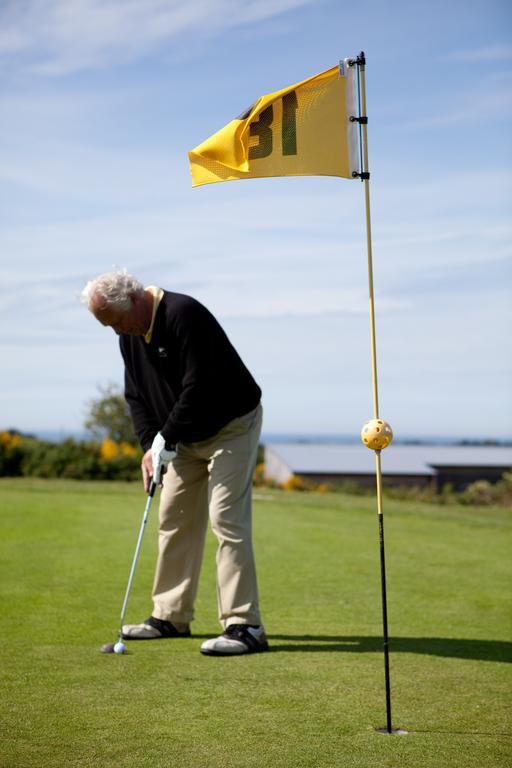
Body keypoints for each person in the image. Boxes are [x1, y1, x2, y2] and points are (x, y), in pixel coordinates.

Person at [81, 269, 268, 656]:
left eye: (116, 321)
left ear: (134, 300)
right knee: (173, 518)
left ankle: (244, 625)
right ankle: (170, 616)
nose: (117, 332)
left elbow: (199, 386)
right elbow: (136, 396)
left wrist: (167, 436)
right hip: (183, 436)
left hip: (231, 426)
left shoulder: (184, 315)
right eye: (108, 326)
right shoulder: (129, 336)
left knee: (225, 519)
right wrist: (151, 445)